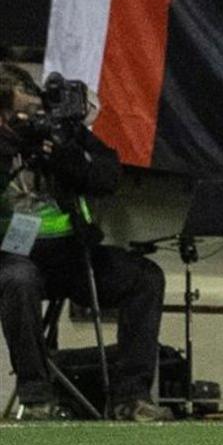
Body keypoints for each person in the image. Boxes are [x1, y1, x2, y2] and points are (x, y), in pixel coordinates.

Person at [0, 64, 171, 422]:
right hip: (11, 258)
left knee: (144, 277)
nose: (31, 120)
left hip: (69, 254)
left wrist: (64, 154)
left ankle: (132, 396)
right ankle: (35, 396)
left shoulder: (60, 135)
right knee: (19, 280)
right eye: (21, 114)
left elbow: (108, 177)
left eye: (35, 111)